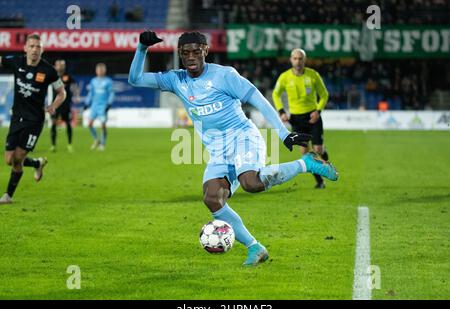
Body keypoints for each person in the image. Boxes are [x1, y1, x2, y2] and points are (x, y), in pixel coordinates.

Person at [128, 31, 338, 266]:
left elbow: (257, 99)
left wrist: (283, 133)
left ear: (206, 50)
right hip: (218, 150)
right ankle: (255, 247)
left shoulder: (224, 75)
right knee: (212, 199)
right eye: (185, 53)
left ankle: (306, 163)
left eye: (196, 51)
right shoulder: (176, 80)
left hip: (243, 137)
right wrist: (142, 48)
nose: (190, 57)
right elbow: (135, 79)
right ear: (179, 54)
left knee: (251, 183)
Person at [0, 34, 66, 204]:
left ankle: (8, 195)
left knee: (18, 158)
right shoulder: (17, 62)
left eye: (38, 46)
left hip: (35, 121)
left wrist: (53, 106)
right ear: (25, 48)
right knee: (9, 159)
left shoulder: (48, 70)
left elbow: (62, 93)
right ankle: (37, 163)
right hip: (17, 117)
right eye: (32, 46)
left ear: (42, 50)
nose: (35, 49)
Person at [272, 48, 330, 189]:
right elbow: (275, 94)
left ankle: (324, 155)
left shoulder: (313, 75)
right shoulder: (285, 77)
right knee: (305, 152)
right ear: (291, 60)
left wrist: (318, 110)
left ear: (304, 60)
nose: (298, 61)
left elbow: (324, 94)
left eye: (300, 59)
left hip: (313, 116)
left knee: (318, 149)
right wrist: (281, 111)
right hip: (296, 119)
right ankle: (320, 181)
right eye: (295, 58)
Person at [50, 59, 80, 153]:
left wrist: (76, 95)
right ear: (55, 66)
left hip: (66, 104)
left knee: (68, 124)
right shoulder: (52, 76)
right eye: (59, 65)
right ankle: (53, 145)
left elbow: (75, 86)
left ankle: (70, 144)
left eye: (62, 65)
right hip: (55, 105)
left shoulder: (67, 77)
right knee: (54, 124)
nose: (61, 67)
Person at [84, 63, 114, 151]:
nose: (100, 71)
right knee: (89, 124)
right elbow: (91, 93)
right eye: (98, 70)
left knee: (103, 125)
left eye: (102, 70)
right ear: (96, 71)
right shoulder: (93, 81)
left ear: (104, 71)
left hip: (103, 105)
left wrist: (109, 104)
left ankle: (103, 144)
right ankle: (96, 140)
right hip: (94, 105)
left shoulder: (108, 81)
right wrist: (86, 103)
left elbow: (111, 93)